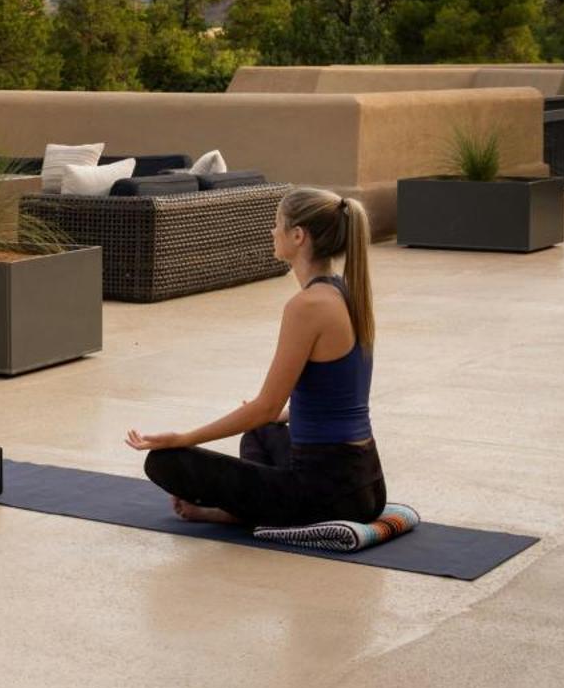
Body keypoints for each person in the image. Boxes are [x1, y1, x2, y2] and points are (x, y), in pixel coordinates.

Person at [127, 187, 386, 528]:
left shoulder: (307, 307)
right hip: (366, 484)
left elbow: (264, 406)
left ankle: (237, 512)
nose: (272, 231)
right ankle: (260, 503)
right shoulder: (345, 292)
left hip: (326, 494)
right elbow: (338, 393)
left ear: (298, 236)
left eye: (277, 224)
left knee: (164, 462)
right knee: (260, 433)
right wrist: (284, 415)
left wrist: (183, 438)